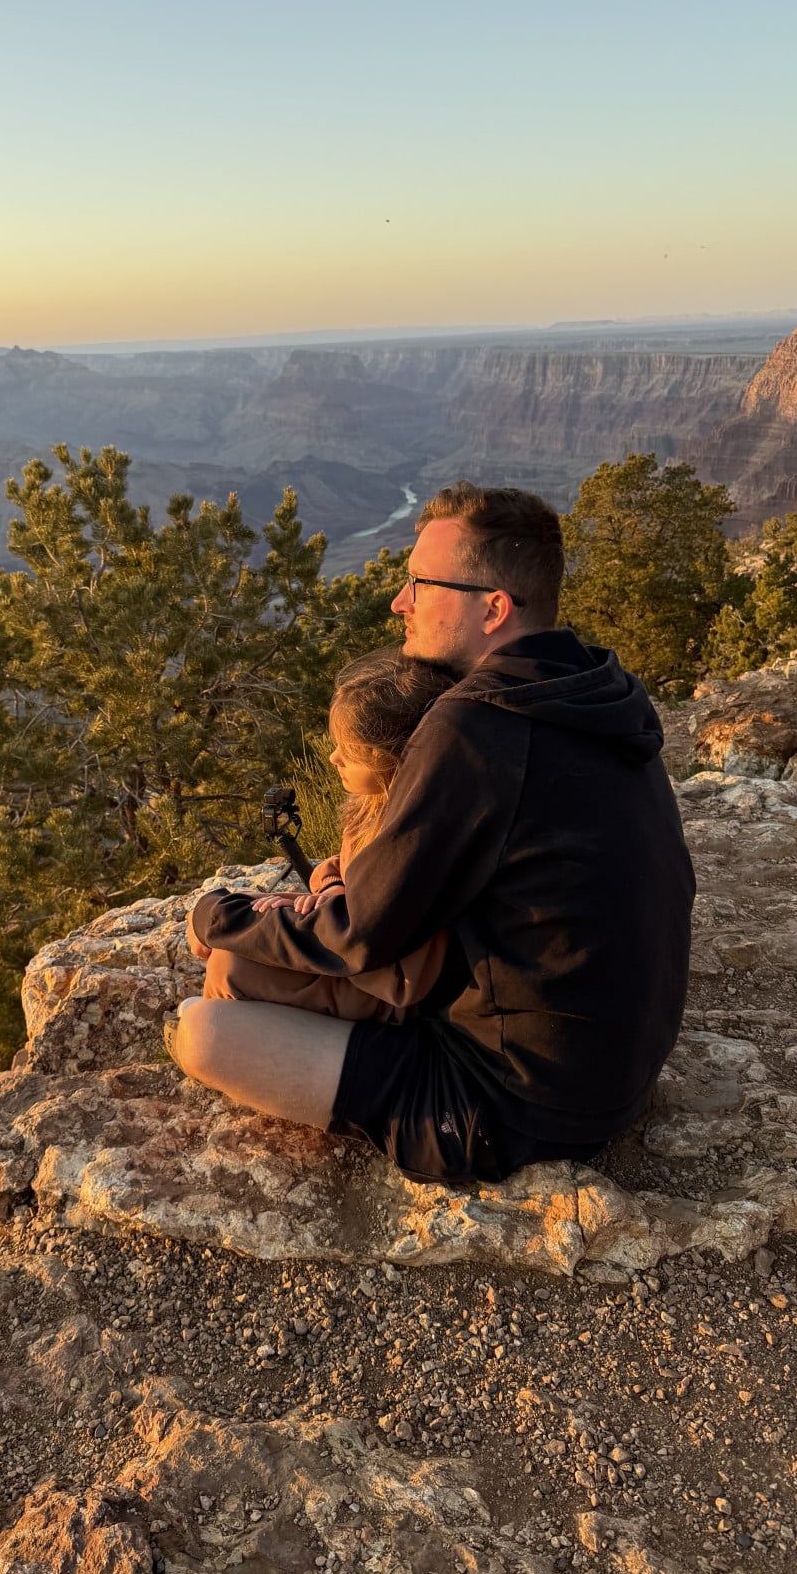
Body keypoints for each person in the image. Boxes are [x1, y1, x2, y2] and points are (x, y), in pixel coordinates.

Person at [174, 480, 695, 1184]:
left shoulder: (477, 727)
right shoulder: (590, 687)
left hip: (515, 1104)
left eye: (420, 582)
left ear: (494, 608)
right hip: (613, 1062)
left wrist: (216, 913)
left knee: (202, 1030)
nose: (400, 601)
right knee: (244, 969)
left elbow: (361, 934)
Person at [202, 645, 457, 1022]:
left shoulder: (412, 831)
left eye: (349, 751)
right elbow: (353, 876)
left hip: (391, 987)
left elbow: (369, 930)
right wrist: (331, 886)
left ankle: (238, 1059)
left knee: (230, 967)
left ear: (391, 755)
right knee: (239, 937)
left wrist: (215, 919)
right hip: (361, 956)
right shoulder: (369, 805)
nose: (334, 758)